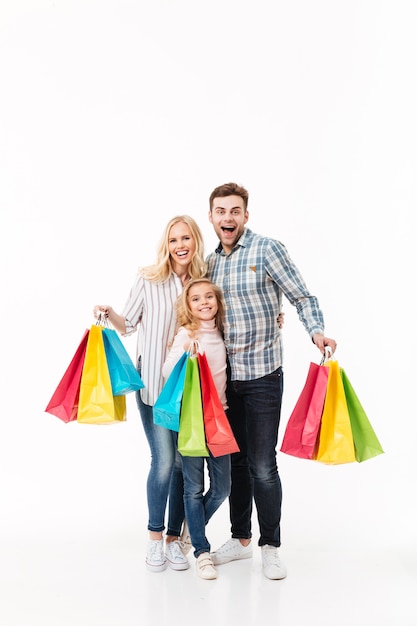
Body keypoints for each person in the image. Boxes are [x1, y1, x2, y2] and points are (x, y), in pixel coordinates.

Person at [205, 182, 337, 580]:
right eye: (220, 211)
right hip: (226, 380)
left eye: (234, 211)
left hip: (263, 375)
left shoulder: (267, 249)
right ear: (211, 216)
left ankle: (271, 546)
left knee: (263, 465)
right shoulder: (208, 263)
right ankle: (241, 539)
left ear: (246, 215)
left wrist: (316, 332)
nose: (227, 218)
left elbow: (302, 297)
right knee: (237, 462)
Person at [93, 215, 207, 573]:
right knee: (164, 462)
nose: (180, 246)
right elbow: (128, 325)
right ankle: (155, 539)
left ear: (195, 242)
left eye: (186, 238)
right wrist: (110, 313)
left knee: (181, 467)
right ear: (166, 245)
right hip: (155, 388)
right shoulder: (149, 279)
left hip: (189, 389)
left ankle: (175, 541)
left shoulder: (204, 280)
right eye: (174, 240)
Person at [162, 278, 231, 580]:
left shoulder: (224, 332)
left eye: (208, 297)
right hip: (191, 422)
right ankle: (202, 552)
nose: (204, 303)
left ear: (217, 301)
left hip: (219, 419)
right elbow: (167, 371)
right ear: (188, 307)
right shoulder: (186, 334)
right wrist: (185, 351)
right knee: (193, 488)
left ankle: (192, 527)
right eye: (196, 299)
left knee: (222, 487)